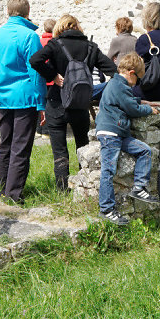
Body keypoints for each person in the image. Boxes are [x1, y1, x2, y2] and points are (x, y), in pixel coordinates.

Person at [30, 14, 117, 192]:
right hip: (80, 104)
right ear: (77, 27)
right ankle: (84, 185)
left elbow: (35, 60)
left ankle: (62, 190)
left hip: (57, 103)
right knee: (82, 145)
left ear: (60, 28)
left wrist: (52, 76)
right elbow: (113, 70)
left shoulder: (55, 45)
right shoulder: (91, 47)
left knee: (60, 150)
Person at [0, 0, 46, 205]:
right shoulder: (29, 36)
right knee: (21, 146)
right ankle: (13, 193)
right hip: (25, 96)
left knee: (5, 143)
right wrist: (41, 103)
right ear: (27, 12)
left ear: (8, 11)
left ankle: (3, 185)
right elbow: (36, 72)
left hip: (4, 95)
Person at [95, 52, 159, 225]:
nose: (137, 83)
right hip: (110, 134)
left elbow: (127, 100)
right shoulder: (119, 86)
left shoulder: (118, 84)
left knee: (144, 150)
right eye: (138, 78)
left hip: (118, 134)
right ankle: (106, 209)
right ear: (131, 73)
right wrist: (147, 110)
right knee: (108, 170)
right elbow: (132, 108)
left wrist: (141, 101)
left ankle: (139, 187)